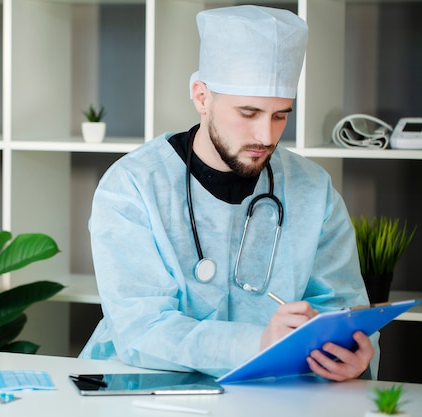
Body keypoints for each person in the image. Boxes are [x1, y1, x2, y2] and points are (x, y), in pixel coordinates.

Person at [79, 5, 378, 382]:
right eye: (248, 113)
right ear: (202, 97)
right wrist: (258, 342)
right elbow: (142, 329)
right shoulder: (131, 185)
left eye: (280, 115)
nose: (266, 137)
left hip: (274, 392)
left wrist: (348, 354)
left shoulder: (313, 188)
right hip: (143, 386)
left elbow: (340, 307)